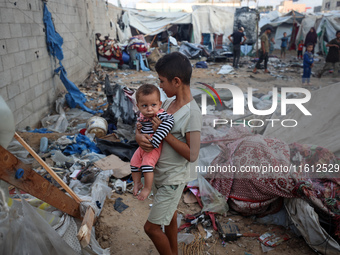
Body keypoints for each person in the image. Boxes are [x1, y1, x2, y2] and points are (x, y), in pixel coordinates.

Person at [136, 52, 201, 254]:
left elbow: (193, 154)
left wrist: (164, 135)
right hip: (160, 173)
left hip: (173, 179)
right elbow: (145, 126)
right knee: (170, 216)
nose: (160, 86)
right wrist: (139, 137)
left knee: (151, 228)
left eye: (162, 81)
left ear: (176, 81)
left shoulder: (192, 113)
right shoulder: (166, 104)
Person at [130, 84, 174, 201]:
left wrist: (155, 141)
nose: (149, 109)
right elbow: (139, 125)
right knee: (134, 162)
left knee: (146, 166)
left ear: (159, 104)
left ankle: (147, 188)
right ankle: (137, 183)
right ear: (138, 106)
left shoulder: (161, 114)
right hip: (142, 146)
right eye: (144, 106)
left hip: (154, 146)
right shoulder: (141, 115)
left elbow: (169, 122)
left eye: (153, 105)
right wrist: (138, 129)